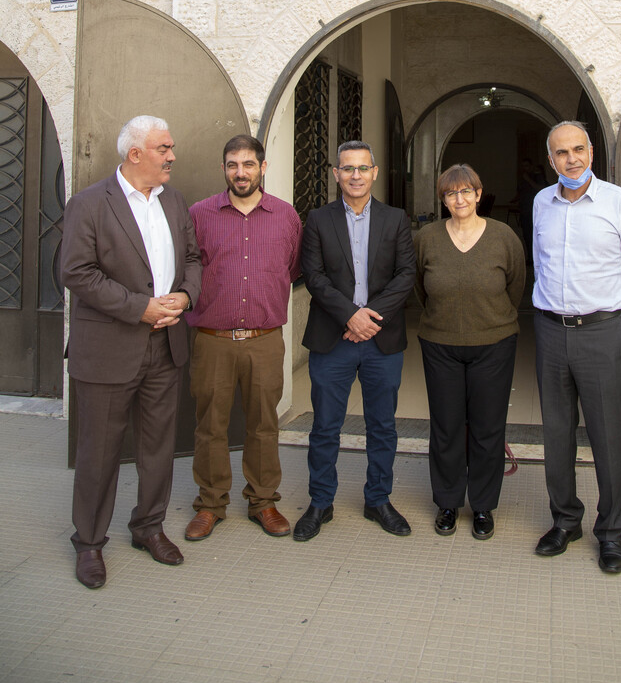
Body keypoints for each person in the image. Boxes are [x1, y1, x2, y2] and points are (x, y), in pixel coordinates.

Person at [61, 115, 202, 589]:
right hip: (108, 348)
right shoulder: (88, 203)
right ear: (135, 153)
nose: (172, 156)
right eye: (164, 148)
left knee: (158, 448)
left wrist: (183, 297)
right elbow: (77, 272)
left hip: (166, 345)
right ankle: (89, 542)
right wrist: (139, 308)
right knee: (98, 451)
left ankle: (148, 527)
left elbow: (194, 259)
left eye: (171, 146)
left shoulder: (175, 201)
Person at [531, 120, 621, 574]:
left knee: (606, 438)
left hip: (603, 333)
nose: (572, 159)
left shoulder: (620, 204)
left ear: (591, 152)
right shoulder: (541, 203)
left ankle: (611, 532)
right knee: (556, 434)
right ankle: (565, 521)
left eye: (579, 149)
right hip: (550, 331)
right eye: (562, 153)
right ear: (551, 160)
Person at [295, 140, 416, 541]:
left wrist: (369, 318)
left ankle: (378, 499)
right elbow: (314, 276)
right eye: (347, 169)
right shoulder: (317, 219)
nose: (356, 176)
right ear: (336, 174)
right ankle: (320, 502)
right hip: (334, 338)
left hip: (381, 338)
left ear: (375, 172)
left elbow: (405, 276)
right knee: (326, 426)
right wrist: (350, 315)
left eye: (363, 168)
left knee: (382, 425)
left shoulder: (396, 218)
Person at [183, 135, 302, 541]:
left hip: (265, 340)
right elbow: (187, 268)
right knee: (210, 426)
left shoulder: (286, 216)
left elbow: (292, 266)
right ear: (224, 169)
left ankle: (263, 501)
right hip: (212, 339)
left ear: (262, 168)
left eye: (248, 164)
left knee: (263, 425)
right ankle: (210, 504)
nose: (241, 172)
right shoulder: (200, 214)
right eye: (233, 164)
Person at [414, 164, 525, 540]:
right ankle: (447, 501)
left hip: (493, 345)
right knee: (445, 427)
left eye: (466, 192)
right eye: (450, 193)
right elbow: (420, 288)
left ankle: (482, 506)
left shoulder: (504, 237)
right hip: (440, 344)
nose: (458, 200)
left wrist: (489, 320)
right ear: (443, 198)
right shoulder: (426, 237)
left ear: (479, 194)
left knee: (487, 428)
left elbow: (516, 286)